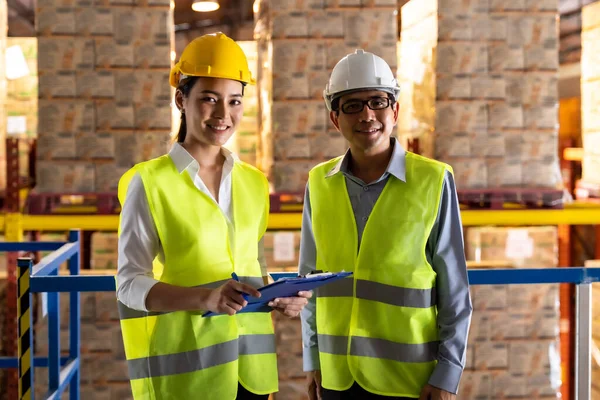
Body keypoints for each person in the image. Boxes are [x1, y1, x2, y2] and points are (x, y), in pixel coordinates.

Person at [116, 32, 311, 400]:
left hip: (250, 371)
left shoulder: (254, 183)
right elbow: (129, 285)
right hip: (188, 376)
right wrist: (206, 298)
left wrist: (280, 296)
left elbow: (252, 268)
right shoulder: (149, 183)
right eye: (209, 99)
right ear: (180, 99)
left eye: (235, 101)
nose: (224, 114)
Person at [299, 49, 473, 400]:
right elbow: (310, 281)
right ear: (336, 119)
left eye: (377, 102)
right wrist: (313, 358)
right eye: (352, 105)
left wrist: (447, 374)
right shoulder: (318, 182)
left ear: (394, 111)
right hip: (338, 376)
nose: (367, 115)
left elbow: (454, 290)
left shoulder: (433, 180)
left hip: (408, 379)